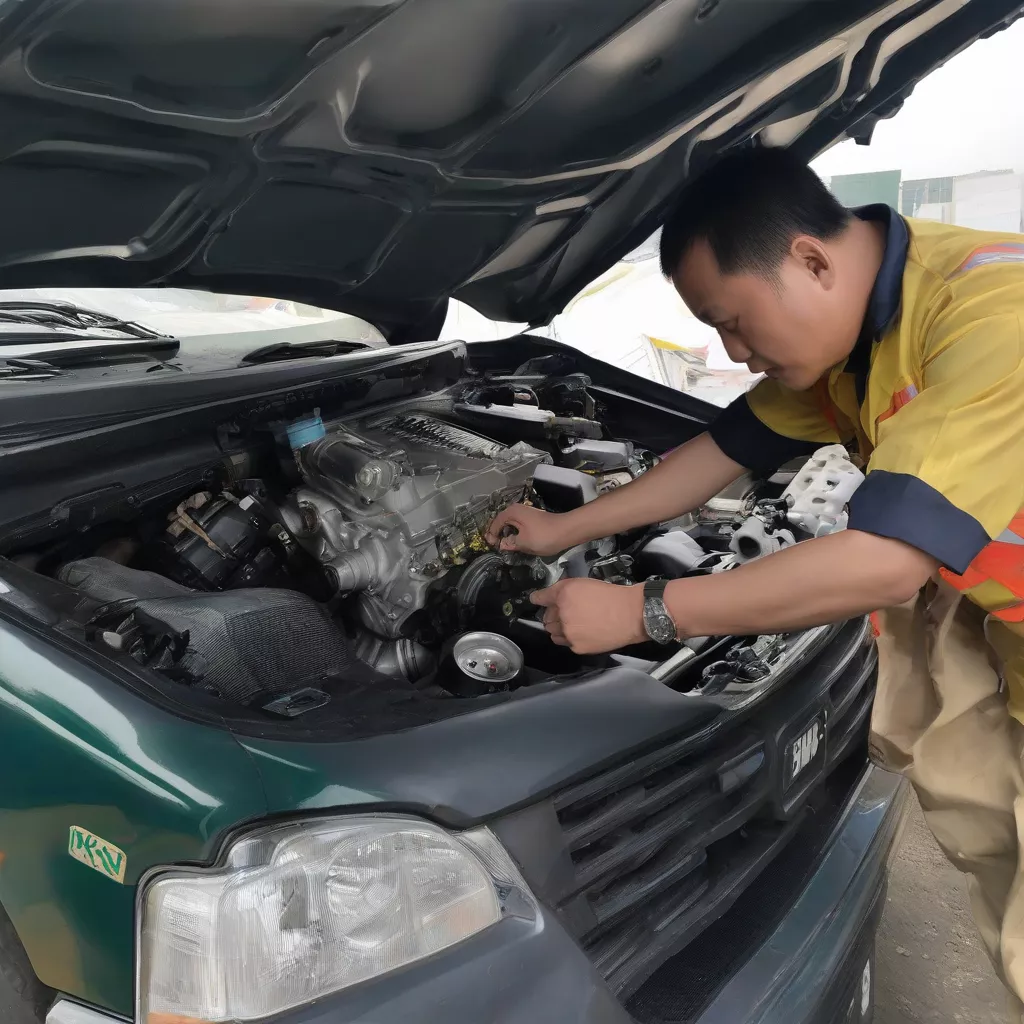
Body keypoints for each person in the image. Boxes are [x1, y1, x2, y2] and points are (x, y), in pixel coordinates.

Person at [485, 145, 1024, 1013]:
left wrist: (644, 611)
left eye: (733, 320)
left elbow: (885, 562)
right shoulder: (854, 327)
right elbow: (721, 453)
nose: (732, 352)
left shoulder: (996, 314)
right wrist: (562, 526)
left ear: (811, 259)